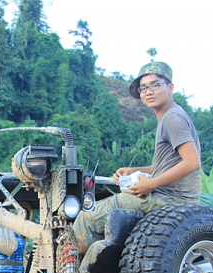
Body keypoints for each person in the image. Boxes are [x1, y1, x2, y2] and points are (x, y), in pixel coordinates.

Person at [73, 61, 201, 254]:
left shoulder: (172, 118)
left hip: (169, 199)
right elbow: (169, 165)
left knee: (87, 217)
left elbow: (192, 162)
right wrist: (135, 171)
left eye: (155, 85)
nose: (148, 91)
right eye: (143, 88)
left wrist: (150, 184)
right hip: (169, 197)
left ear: (170, 87)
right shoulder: (170, 116)